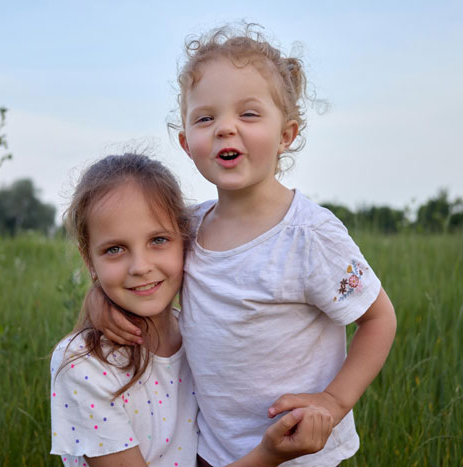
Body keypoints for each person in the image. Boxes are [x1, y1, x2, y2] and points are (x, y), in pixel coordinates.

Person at [90, 25, 397, 467]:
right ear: (186, 144)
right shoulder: (187, 227)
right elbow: (146, 280)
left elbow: (378, 317)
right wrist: (101, 299)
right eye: (205, 118)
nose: (225, 129)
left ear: (286, 134)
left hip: (298, 450)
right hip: (213, 450)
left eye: (249, 115)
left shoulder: (309, 235)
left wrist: (333, 401)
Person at [51, 153, 336, 467]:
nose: (140, 267)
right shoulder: (84, 366)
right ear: (89, 259)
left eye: (158, 240)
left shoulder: (201, 331)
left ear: (187, 240)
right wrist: (268, 457)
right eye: (114, 249)